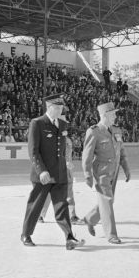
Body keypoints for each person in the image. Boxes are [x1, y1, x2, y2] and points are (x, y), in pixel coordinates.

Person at [20, 93, 85, 251]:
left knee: (62, 206)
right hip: (43, 175)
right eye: (59, 108)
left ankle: (69, 238)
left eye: (62, 108)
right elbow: (33, 151)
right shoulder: (37, 123)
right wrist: (41, 171)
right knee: (35, 205)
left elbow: (61, 150)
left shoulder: (62, 124)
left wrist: (65, 166)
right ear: (50, 107)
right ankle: (26, 234)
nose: (61, 110)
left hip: (60, 174)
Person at [82, 102, 131, 245]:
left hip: (114, 171)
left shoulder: (116, 130)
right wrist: (87, 174)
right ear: (104, 115)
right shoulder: (94, 131)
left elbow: (121, 151)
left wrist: (126, 168)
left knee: (107, 201)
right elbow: (87, 155)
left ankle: (90, 218)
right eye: (113, 114)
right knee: (107, 200)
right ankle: (111, 234)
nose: (115, 116)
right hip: (101, 172)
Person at [39, 120, 84, 225]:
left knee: (69, 193)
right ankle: (40, 215)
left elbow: (68, 155)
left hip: (67, 171)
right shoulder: (50, 139)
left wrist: (68, 165)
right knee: (49, 193)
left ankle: (72, 215)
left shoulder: (68, 140)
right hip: (54, 170)